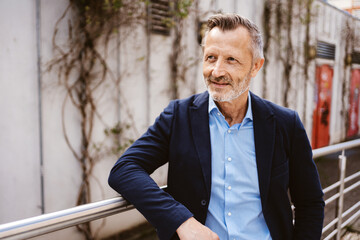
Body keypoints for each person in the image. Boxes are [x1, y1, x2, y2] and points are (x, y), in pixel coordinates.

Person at [108, 13, 324, 240]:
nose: (217, 71)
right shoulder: (178, 116)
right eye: (211, 57)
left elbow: (310, 202)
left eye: (231, 59)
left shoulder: (285, 124)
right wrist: (181, 220)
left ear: (255, 66)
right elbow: (125, 169)